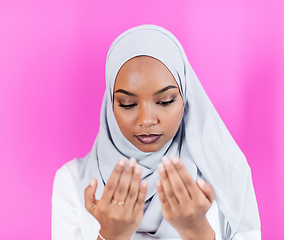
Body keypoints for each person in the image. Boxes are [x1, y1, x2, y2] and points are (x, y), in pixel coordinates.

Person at [52, 25, 261, 240]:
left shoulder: (224, 174)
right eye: (127, 104)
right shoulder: (73, 182)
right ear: (110, 105)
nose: (147, 120)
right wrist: (110, 236)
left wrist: (198, 233)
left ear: (185, 98)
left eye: (165, 101)